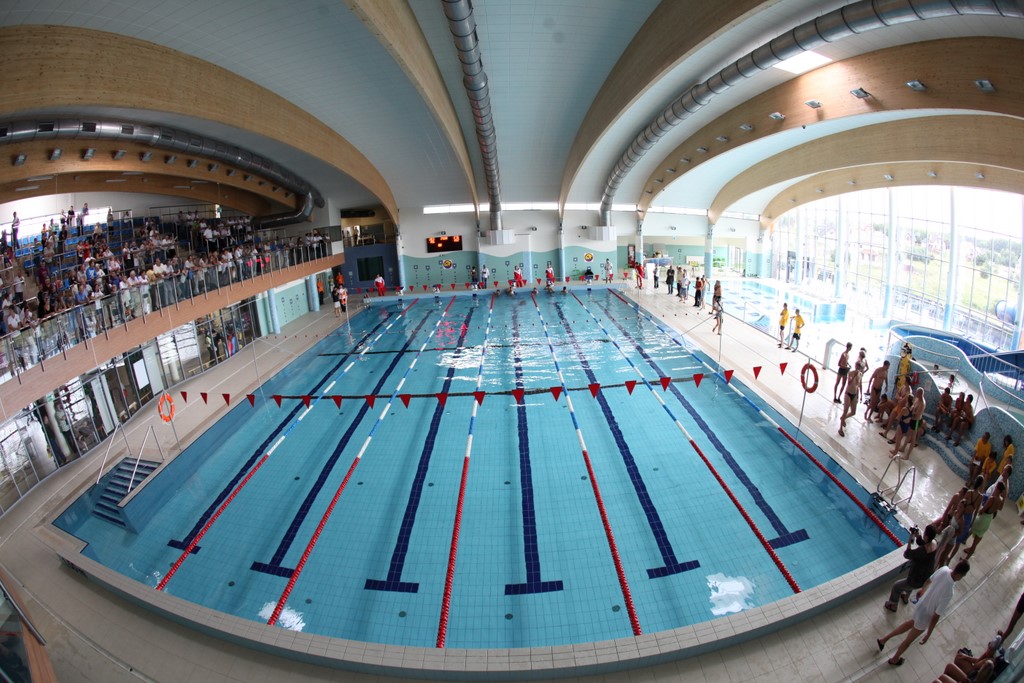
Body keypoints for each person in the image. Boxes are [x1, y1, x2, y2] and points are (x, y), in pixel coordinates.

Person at [876, 560, 971, 667]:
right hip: (926, 616)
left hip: (921, 605)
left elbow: (928, 580)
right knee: (908, 640)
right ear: (959, 575)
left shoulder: (944, 569)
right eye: (963, 576)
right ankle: (895, 659)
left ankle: (883, 640)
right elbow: (936, 615)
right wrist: (928, 633)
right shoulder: (949, 592)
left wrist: (922, 590)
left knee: (909, 623)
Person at [883, 524, 937, 612]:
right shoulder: (934, 543)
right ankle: (905, 597)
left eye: (924, 534)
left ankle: (893, 605)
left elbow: (907, 554)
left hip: (917, 579)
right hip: (925, 577)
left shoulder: (922, 551)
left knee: (897, 586)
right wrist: (918, 536)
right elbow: (924, 544)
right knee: (909, 586)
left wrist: (910, 539)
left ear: (927, 537)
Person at [838, 364, 863, 437]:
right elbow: (849, 382)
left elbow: (859, 385)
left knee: (853, 412)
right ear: (855, 367)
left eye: (859, 367)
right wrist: (854, 375)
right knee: (845, 411)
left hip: (854, 394)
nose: (858, 368)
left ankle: (843, 418)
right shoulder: (851, 373)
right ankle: (840, 429)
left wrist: (860, 395)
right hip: (848, 394)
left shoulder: (860, 374)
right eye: (857, 367)